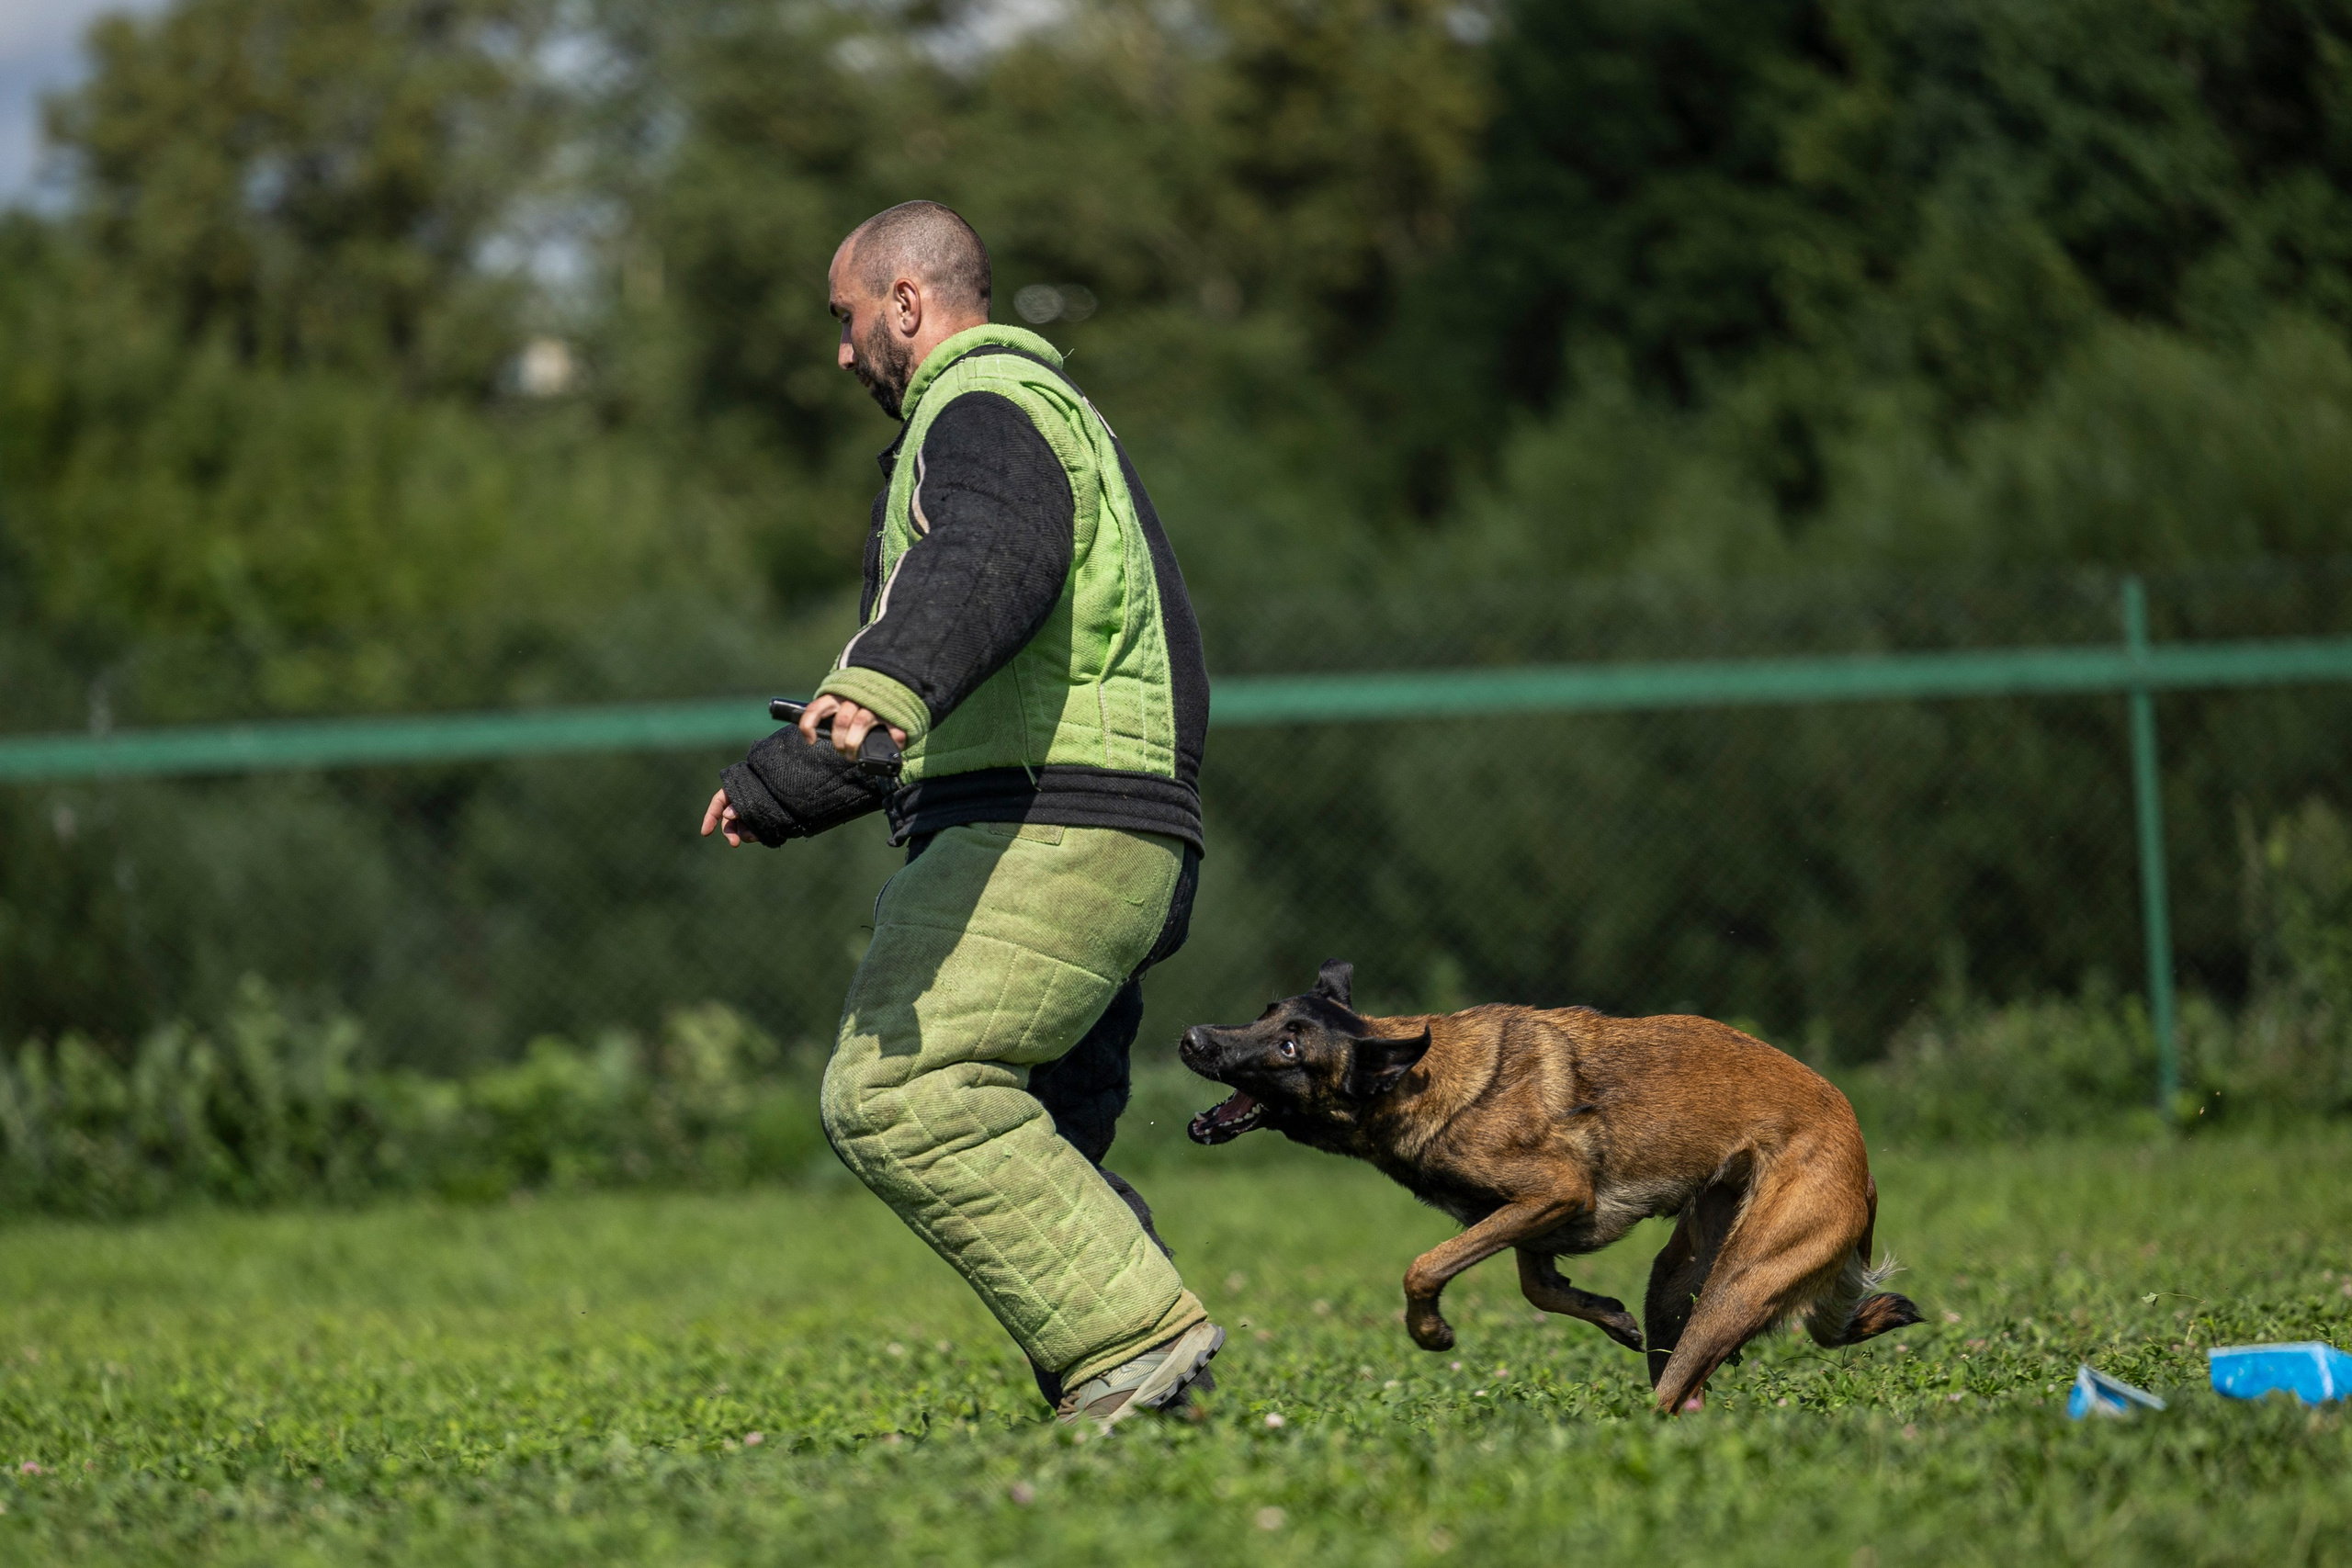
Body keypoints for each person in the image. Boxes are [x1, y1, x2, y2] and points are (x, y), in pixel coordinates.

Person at [698, 200, 1222, 1429]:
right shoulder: (1047, 415)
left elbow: (992, 555)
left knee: (902, 1095)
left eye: (847, 319)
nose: (841, 353)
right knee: (1044, 1137)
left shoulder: (978, 407)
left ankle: (1133, 1345)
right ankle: (1144, 1406)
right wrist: (791, 781)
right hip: (1116, 822)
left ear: (908, 302)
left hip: (1050, 828)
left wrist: (882, 679)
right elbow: (978, 668)